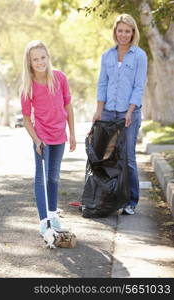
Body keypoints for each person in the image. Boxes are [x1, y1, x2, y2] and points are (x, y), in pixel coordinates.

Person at [20, 40, 76, 237]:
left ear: (48, 57)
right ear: (30, 62)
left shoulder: (60, 78)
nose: (40, 62)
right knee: (41, 178)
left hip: (59, 136)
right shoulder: (28, 86)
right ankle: (43, 220)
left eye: (43, 57)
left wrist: (73, 135)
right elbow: (27, 119)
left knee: (53, 177)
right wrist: (36, 140)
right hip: (42, 138)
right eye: (35, 59)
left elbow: (68, 107)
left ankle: (53, 215)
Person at [93, 14, 147, 215]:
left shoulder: (139, 55)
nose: (123, 34)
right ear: (115, 32)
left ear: (133, 33)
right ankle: (106, 196)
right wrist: (99, 111)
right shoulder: (107, 55)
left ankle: (131, 201)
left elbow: (139, 86)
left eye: (127, 31)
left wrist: (130, 111)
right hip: (108, 112)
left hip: (128, 113)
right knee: (104, 155)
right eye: (120, 30)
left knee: (128, 157)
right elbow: (102, 84)